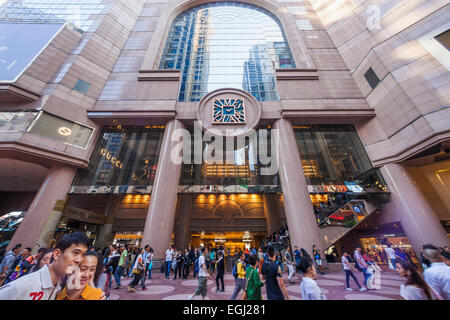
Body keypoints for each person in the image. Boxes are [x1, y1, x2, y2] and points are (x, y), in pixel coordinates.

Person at [0, 232, 88, 300]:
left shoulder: (59, 288)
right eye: (75, 252)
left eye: (83, 254)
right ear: (57, 254)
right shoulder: (22, 286)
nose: (79, 260)